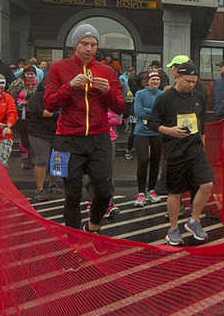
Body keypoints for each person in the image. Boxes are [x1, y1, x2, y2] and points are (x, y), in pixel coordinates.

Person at [44, 23, 125, 233]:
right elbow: (50, 104)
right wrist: (70, 86)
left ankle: (93, 226)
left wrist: (107, 91)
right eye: (84, 43)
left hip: (99, 138)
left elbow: (120, 106)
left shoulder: (106, 71)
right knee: (72, 194)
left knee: (105, 191)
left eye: (93, 44)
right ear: (75, 45)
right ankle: (73, 237)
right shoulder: (59, 68)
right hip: (68, 138)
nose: (89, 49)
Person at [147, 62, 213, 245]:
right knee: (174, 193)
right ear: (177, 77)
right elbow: (151, 123)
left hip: (195, 149)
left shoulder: (199, 96)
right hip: (174, 152)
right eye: (187, 81)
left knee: (207, 183)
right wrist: (170, 130)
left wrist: (203, 144)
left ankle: (194, 220)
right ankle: (173, 228)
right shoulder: (165, 98)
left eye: (194, 81)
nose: (191, 85)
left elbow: (202, 123)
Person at [131, 70, 164, 206]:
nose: (155, 82)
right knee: (143, 160)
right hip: (141, 132)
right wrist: (154, 113)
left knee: (155, 162)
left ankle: (151, 190)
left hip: (157, 132)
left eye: (157, 80)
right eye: (152, 79)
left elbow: (163, 113)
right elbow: (138, 112)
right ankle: (140, 192)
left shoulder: (162, 95)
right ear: (147, 81)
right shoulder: (140, 94)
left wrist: (148, 111)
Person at [25, 74, 60, 202]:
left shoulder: (59, 97)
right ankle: (39, 189)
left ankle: (53, 184)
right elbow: (45, 113)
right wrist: (58, 114)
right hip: (39, 133)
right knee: (42, 160)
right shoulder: (37, 97)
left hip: (56, 133)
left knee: (57, 160)